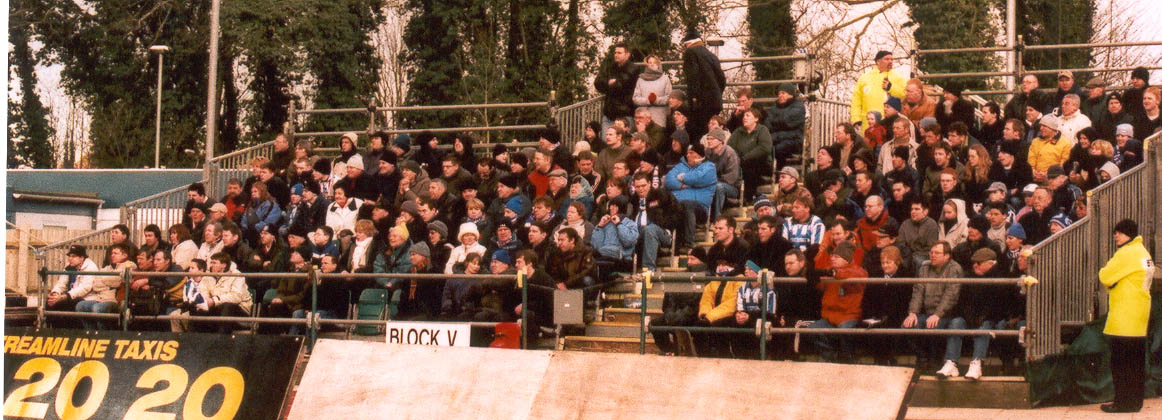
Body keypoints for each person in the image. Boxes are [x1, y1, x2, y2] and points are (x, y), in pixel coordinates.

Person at [1098, 219, 1154, 413]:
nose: (1116, 236)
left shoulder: (1126, 253)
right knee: (1136, 364)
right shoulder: (1143, 253)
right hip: (1139, 316)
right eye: (1115, 233)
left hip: (1124, 316)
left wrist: (1110, 281)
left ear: (1129, 234)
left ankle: (1121, 403)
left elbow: (1105, 276)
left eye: (1119, 233)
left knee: (1121, 364)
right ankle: (1134, 402)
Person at [903, 241, 965, 376]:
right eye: (931, 252)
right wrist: (913, 312)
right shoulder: (924, 267)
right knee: (907, 326)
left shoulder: (954, 269)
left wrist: (938, 314)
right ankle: (922, 358)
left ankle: (937, 362)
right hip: (928, 312)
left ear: (947, 256)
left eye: (937, 253)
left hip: (949, 314)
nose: (932, 255)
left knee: (934, 326)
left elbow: (951, 295)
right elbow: (918, 291)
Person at [808, 242, 867, 363]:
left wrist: (833, 273)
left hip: (849, 316)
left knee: (845, 331)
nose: (832, 258)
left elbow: (851, 276)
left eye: (836, 257)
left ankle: (849, 362)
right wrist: (811, 276)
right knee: (812, 330)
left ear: (846, 259)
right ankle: (832, 359)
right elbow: (820, 285)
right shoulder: (831, 272)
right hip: (830, 317)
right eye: (832, 256)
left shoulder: (859, 272)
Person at [666, 143, 717, 249]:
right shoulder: (680, 166)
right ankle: (670, 244)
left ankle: (689, 244)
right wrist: (682, 185)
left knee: (687, 204)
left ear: (700, 155)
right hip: (679, 205)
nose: (688, 155)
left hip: (700, 208)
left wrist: (682, 176)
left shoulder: (709, 167)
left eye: (692, 153)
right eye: (687, 153)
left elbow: (699, 178)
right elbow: (668, 180)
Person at [680, 29, 726, 142]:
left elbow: (692, 78)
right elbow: (722, 78)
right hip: (715, 100)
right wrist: (717, 93)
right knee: (711, 133)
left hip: (701, 103)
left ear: (688, 43)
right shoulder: (711, 55)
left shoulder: (690, 53)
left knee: (697, 135)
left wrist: (695, 98)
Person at [851, 51, 907, 129]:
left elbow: (905, 95)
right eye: (887, 59)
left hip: (890, 123)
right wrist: (856, 119)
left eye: (891, 59)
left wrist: (891, 88)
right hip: (868, 122)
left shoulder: (898, 78)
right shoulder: (864, 78)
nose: (890, 61)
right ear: (878, 61)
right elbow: (856, 100)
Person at [595, 43, 640, 133]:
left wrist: (609, 84)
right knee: (606, 142)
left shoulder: (633, 68)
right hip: (609, 114)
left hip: (624, 115)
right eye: (615, 52)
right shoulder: (611, 67)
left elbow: (620, 85)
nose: (616, 55)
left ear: (627, 54)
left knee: (622, 142)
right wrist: (609, 82)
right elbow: (597, 82)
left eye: (619, 53)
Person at [767, 83, 807, 169]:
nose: (780, 95)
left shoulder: (798, 106)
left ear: (791, 95)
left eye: (783, 93)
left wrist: (776, 127)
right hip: (777, 138)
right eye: (779, 93)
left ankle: (780, 173)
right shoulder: (774, 106)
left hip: (794, 140)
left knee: (778, 149)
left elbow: (787, 121)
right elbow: (768, 123)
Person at [633, 55, 672, 129]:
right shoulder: (641, 79)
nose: (652, 64)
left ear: (658, 64)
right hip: (643, 118)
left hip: (659, 117)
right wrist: (647, 101)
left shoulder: (665, 79)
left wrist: (656, 100)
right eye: (650, 62)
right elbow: (635, 98)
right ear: (647, 64)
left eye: (654, 62)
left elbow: (669, 97)